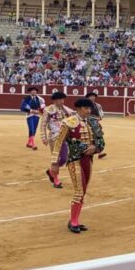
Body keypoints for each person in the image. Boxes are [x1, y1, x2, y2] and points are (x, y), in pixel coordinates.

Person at [49, 98, 105, 234]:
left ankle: (75, 220)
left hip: (88, 160)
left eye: (89, 108)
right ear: (79, 109)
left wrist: (95, 148)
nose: (89, 111)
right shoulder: (68, 122)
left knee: (83, 191)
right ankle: (73, 222)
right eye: (86, 108)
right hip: (75, 160)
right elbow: (58, 143)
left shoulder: (93, 121)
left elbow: (101, 141)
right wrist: (54, 163)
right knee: (79, 191)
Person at [40, 91, 72, 188]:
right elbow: (43, 125)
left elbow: (72, 120)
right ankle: (56, 179)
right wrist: (43, 137)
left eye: (63, 99)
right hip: (54, 137)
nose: (62, 101)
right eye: (59, 100)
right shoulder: (49, 110)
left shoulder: (66, 110)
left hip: (64, 137)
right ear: (54, 100)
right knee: (56, 159)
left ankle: (51, 172)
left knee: (64, 158)